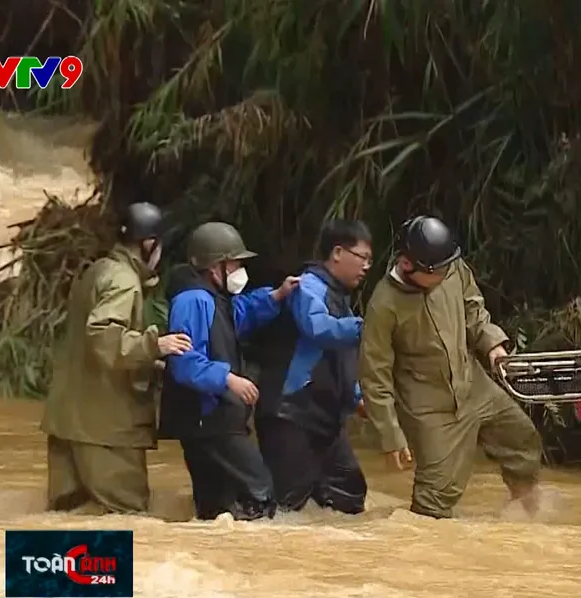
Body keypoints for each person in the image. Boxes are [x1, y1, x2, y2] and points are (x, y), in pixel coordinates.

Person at [358, 215, 544, 519]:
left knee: (522, 439)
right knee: (434, 501)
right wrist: (390, 435)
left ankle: (526, 517)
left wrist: (492, 345)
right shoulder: (384, 305)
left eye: (448, 266)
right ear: (408, 266)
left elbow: (473, 306)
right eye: (438, 271)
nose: (447, 273)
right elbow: (374, 375)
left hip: (473, 384)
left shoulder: (449, 266)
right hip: (430, 409)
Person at [41, 202, 193, 515]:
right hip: (105, 429)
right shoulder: (123, 280)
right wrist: (154, 345)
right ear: (149, 244)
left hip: (70, 420)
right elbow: (103, 336)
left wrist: (149, 362)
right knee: (127, 522)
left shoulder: (98, 269)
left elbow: (89, 342)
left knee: (69, 526)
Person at [157, 221, 299, 521]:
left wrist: (276, 296)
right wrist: (228, 379)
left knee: (217, 507)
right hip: (210, 421)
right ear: (214, 266)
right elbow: (184, 361)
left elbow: (237, 315)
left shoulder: (213, 296)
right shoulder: (193, 299)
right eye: (234, 263)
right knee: (259, 492)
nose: (238, 270)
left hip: (210, 421)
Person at [251, 219, 372, 514]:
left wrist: (357, 398)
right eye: (362, 257)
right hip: (290, 412)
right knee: (288, 502)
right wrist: (369, 327)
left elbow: (339, 361)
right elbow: (317, 328)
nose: (367, 266)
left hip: (323, 416)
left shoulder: (340, 297)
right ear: (338, 253)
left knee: (349, 489)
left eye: (370, 260)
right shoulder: (308, 287)